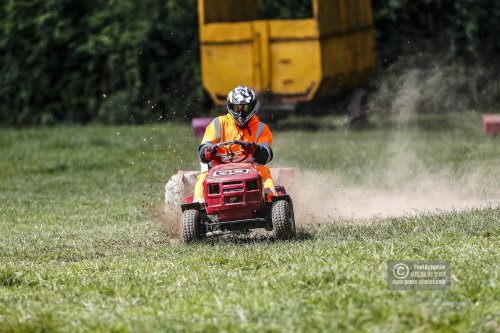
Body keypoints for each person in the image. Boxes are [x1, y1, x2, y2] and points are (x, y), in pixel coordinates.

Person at [193, 86, 276, 203]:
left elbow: (266, 155)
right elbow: (202, 151)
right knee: (202, 180)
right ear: (230, 106)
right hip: (217, 171)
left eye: (245, 107)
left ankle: (273, 205)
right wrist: (208, 152)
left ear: (252, 107)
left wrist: (255, 149)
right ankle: (198, 208)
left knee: (265, 174)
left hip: (251, 170)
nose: (241, 112)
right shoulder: (218, 124)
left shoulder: (261, 128)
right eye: (237, 108)